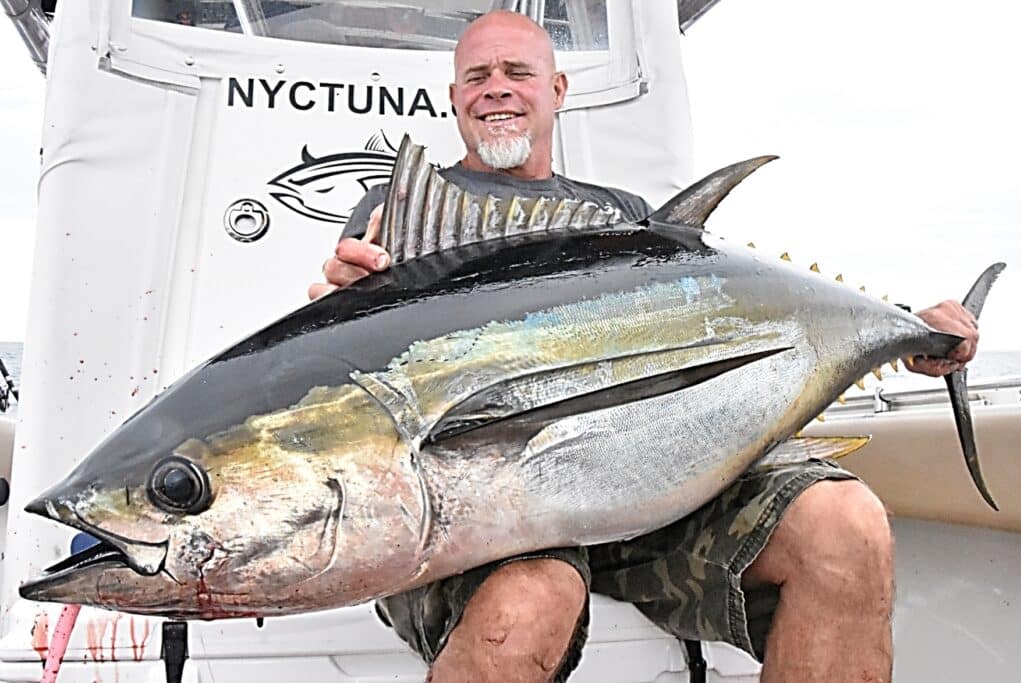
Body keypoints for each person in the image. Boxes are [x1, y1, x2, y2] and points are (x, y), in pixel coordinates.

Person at [310, 11, 981, 683]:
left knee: (847, 525)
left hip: (644, 492)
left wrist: (909, 333)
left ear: (559, 90)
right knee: (532, 597)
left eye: (518, 72)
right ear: (455, 97)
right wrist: (341, 305)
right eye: (478, 76)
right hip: (478, 515)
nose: (497, 88)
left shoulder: (626, 218)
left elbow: (728, 335)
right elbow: (355, 367)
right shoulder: (398, 215)